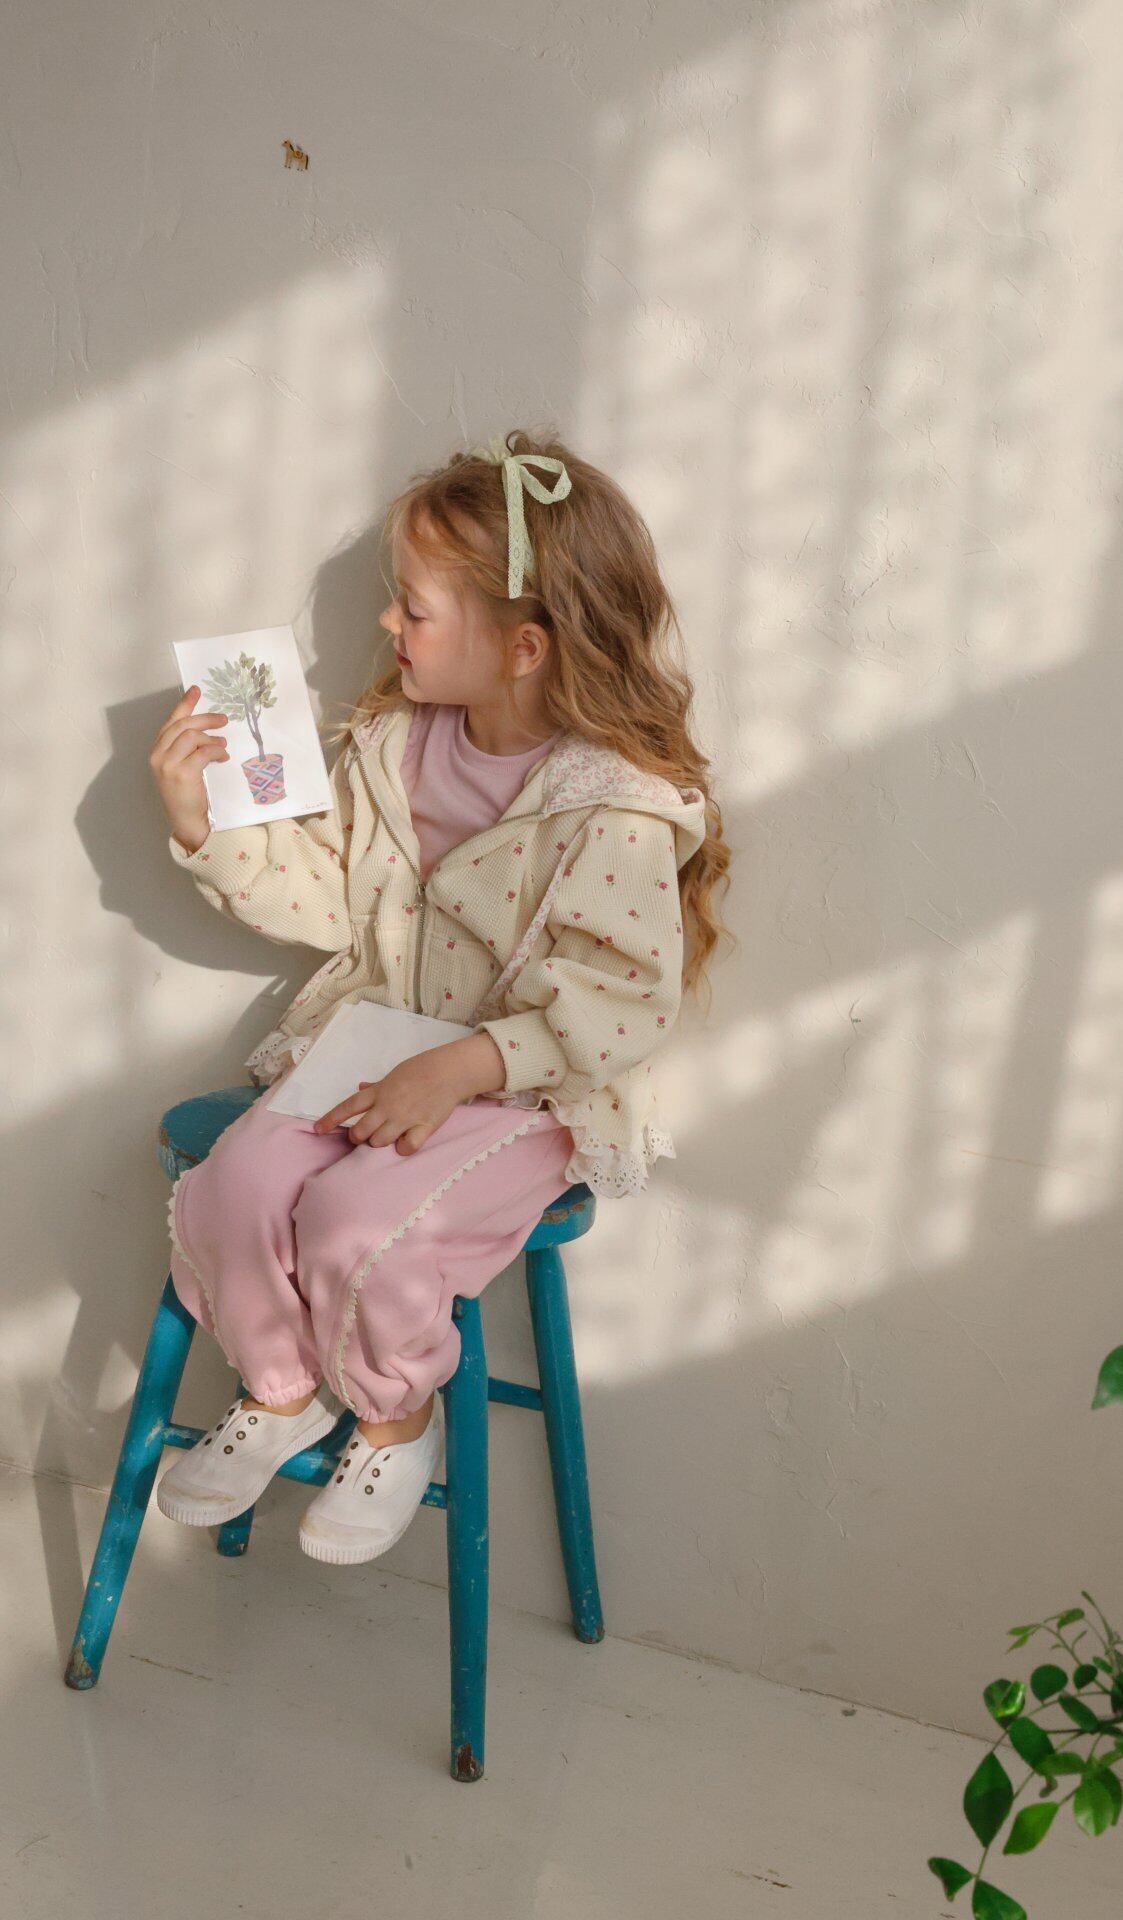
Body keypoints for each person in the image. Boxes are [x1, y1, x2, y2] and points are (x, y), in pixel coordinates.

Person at [147, 428, 732, 1567]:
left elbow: (623, 997)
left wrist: (461, 1066)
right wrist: (199, 822)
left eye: (411, 608)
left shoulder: (611, 801)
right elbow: (330, 899)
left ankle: (393, 1417)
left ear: (522, 646)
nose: (384, 624)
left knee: (353, 1224)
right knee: (236, 1185)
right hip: (367, 1047)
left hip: (520, 1088)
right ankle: (279, 1391)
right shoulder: (390, 747)